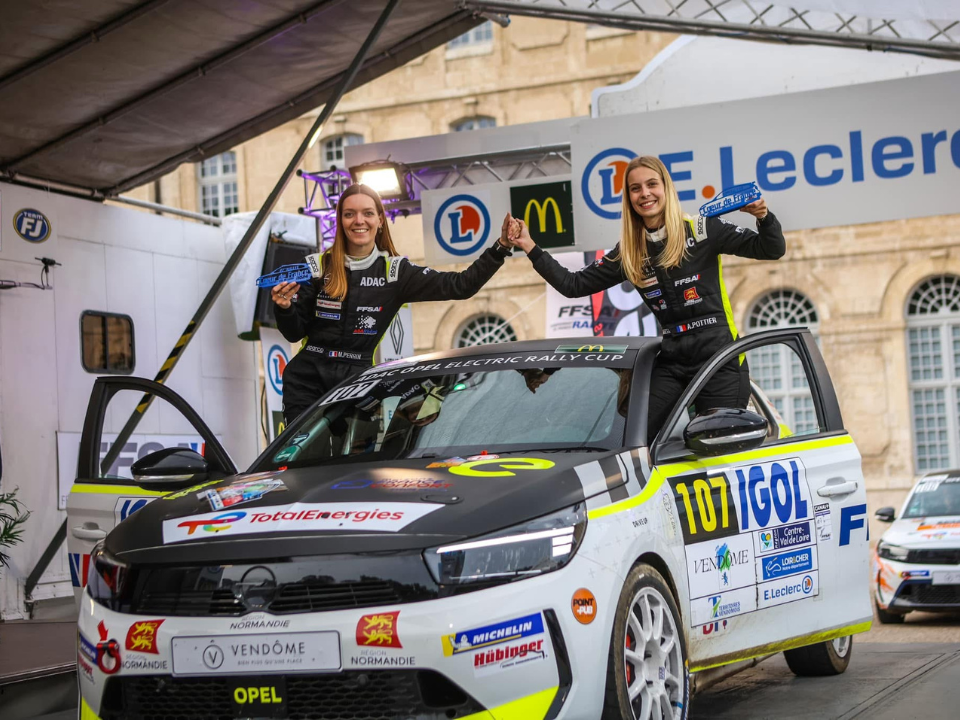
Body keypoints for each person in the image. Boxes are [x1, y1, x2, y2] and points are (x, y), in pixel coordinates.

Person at [506, 155, 785, 442]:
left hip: (719, 357)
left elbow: (771, 249)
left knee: (717, 443)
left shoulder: (702, 229)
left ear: (666, 188)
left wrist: (763, 216)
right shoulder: (629, 251)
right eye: (635, 188)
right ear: (629, 198)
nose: (645, 194)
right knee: (632, 438)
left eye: (652, 184)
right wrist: (528, 245)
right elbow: (572, 285)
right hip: (673, 358)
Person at [273, 183, 514, 422]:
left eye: (368, 213)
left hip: (357, 382)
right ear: (341, 221)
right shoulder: (315, 266)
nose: (359, 221)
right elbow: (294, 334)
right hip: (307, 379)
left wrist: (500, 248)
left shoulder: (396, 272)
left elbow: (461, 286)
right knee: (302, 448)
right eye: (349, 214)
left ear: (380, 220)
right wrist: (284, 308)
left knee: (363, 447)